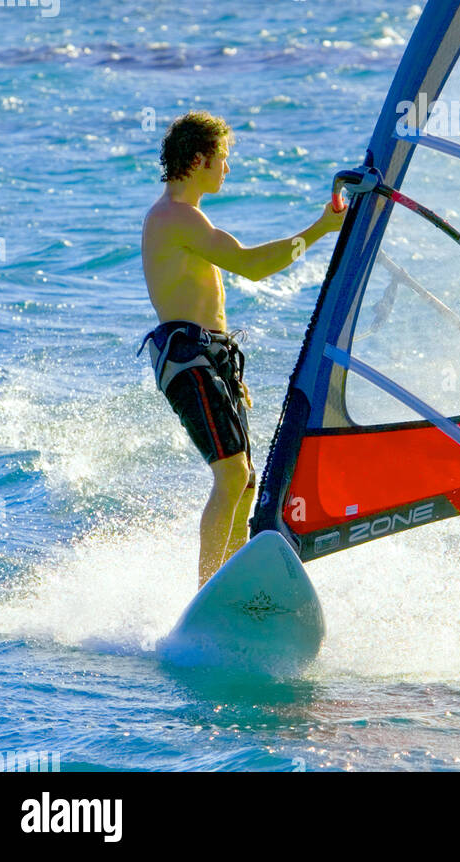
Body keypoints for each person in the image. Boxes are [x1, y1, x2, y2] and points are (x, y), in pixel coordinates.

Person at [139, 111, 344, 587]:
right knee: (232, 475)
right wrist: (319, 230)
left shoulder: (186, 217)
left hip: (212, 358)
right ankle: (209, 590)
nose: (227, 169)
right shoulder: (175, 217)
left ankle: (229, 584)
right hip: (188, 358)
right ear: (197, 160)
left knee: (246, 481)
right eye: (223, 159)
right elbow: (252, 266)